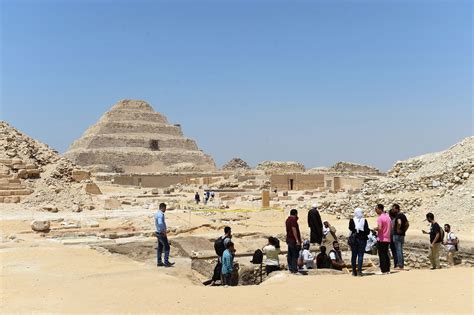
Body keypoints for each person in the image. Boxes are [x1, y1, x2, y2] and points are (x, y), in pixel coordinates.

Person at [349, 208, 370, 276]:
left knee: (354, 256)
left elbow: (350, 228)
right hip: (362, 239)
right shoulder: (364, 220)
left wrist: (356, 229)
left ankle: (354, 271)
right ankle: (359, 271)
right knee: (360, 255)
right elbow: (367, 231)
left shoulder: (352, 220)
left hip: (354, 240)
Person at [154, 203, 174, 267]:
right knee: (167, 247)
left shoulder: (157, 213)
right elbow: (160, 223)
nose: (165, 209)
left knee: (160, 247)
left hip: (158, 232)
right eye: (165, 208)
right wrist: (163, 231)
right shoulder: (160, 215)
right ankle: (166, 262)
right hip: (161, 233)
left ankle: (159, 262)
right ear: (162, 208)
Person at [374, 204, 391, 274]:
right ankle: (387, 269)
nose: (375, 210)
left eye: (376, 209)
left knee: (382, 255)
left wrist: (375, 228)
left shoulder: (380, 218)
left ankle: (383, 270)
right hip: (387, 238)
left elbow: (380, 228)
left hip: (381, 238)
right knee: (386, 254)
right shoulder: (388, 217)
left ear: (380, 209)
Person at [392, 204, 409, 270]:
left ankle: (400, 265)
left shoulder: (398, 216)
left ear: (397, 209)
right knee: (400, 250)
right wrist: (404, 230)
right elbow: (407, 224)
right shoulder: (403, 215)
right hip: (402, 235)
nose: (393, 210)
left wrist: (398, 229)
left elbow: (399, 222)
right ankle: (401, 264)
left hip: (397, 235)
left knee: (398, 250)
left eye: (393, 209)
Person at [286, 209, 302, 273]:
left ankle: (290, 267)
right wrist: (297, 240)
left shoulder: (288, 219)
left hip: (289, 239)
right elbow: (294, 229)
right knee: (294, 254)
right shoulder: (293, 220)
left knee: (290, 254)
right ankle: (294, 269)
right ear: (296, 214)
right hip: (293, 239)